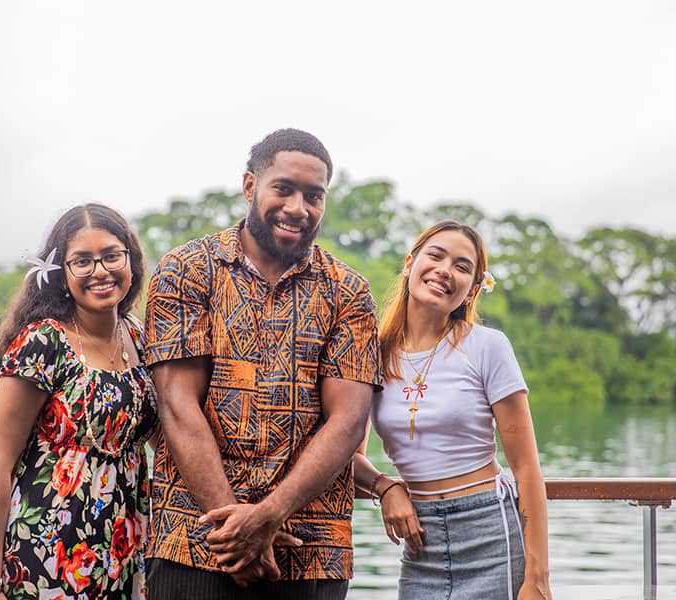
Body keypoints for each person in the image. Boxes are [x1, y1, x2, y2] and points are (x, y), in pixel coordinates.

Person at [143, 128, 383, 599]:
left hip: (312, 545)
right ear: (251, 186)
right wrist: (237, 533)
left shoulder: (348, 292)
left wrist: (267, 517)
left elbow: (349, 421)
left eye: (314, 196)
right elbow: (176, 406)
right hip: (194, 539)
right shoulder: (186, 270)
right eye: (284, 189)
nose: (298, 208)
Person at [0, 203, 159, 600]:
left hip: (127, 549)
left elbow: (165, 438)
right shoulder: (44, 342)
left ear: (130, 260)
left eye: (111, 256)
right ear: (60, 273)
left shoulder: (140, 337)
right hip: (48, 551)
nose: (100, 271)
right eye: (82, 262)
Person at [354, 220, 551, 599]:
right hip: (419, 536)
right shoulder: (371, 354)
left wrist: (538, 577)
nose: (445, 270)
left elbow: (526, 468)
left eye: (462, 267)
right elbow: (346, 452)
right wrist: (385, 487)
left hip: (490, 529)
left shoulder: (487, 347)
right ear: (411, 263)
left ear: (472, 290)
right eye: (436, 255)